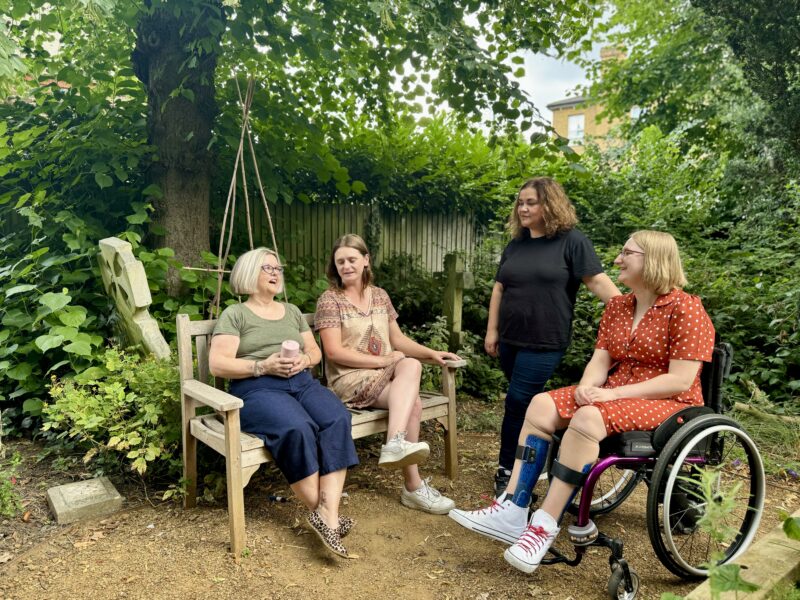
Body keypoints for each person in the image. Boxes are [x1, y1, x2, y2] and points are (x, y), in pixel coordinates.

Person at [449, 230, 715, 573]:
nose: (617, 260)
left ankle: (543, 526)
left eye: (627, 253)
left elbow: (678, 380)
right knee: (541, 405)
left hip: (671, 404)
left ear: (653, 260)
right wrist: (587, 387)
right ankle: (512, 509)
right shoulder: (620, 306)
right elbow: (601, 360)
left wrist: (609, 394)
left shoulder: (686, 309)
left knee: (589, 418)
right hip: (614, 394)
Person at [208, 248, 359, 559]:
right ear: (250, 272)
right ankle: (326, 515)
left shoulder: (291, 311)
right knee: (297, 427)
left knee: (337, 418)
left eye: (278, 267)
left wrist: (304, 359)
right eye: (267, 267)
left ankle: (325, 516)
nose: (276, 273)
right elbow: (218, 364)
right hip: (258, 388)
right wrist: (261, 366)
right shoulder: (235, 314)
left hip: (302, 383)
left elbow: (315, 353)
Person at [487, 177, 620, 496]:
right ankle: (537, 456)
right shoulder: (516, 245)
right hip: (509, 340)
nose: (523, 208)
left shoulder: (571, 242)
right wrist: (492, 330)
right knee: (523, 402)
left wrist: (631, 310)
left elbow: (598, 282)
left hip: (545, 342)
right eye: (520, 202)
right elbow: (499, 287)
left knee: (518, 400)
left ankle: (508, 470)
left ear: (550, 205)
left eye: (531, 202)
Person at [315, 233, 462, 515]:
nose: (346, 266)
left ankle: (398, 453)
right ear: (335, 267)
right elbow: (333, 353)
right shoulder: (330, 300)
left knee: (413, 389)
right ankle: (412, 486)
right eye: (340, 262)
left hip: (383, 376)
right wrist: (383, 360)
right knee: (410, 378)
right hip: (348, 380)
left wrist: (432, 353)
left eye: (352, 259)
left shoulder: (380, 296)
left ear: (366, 260)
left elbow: (398, 340)